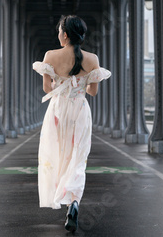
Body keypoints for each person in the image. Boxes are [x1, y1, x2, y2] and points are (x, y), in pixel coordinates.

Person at [33, 15, 111, 232]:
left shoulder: (50, 55)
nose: (58, 34)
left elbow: (47, 89)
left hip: (58, 111)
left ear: (65, 35)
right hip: (79, 111)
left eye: (59, 31)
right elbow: (92, 92)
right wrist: (79, 86)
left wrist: (63, 84)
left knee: (57, 154)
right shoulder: (92, 59)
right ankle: (74, 202)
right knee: (78, 157)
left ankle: (60, 194)